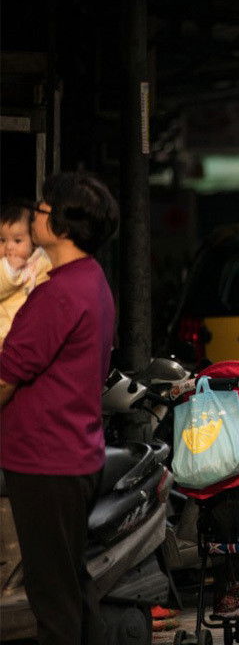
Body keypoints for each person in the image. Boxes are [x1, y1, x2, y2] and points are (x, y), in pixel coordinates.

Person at [0, 172, 119, 645]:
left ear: (66, 226)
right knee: (71, 586)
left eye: (45, 209)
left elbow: (6, 378)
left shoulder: (57, 294)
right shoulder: (89, 280)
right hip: (72, 455)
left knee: (53, 601)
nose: (36, 214)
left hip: (46, 460)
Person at [0, 204, 52, 348]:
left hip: (28, 334)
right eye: (2, 240)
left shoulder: (42, 261)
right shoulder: (3, 265)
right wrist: (9, 270)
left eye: (17, 241)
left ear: (33, 241)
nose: (9, 247)